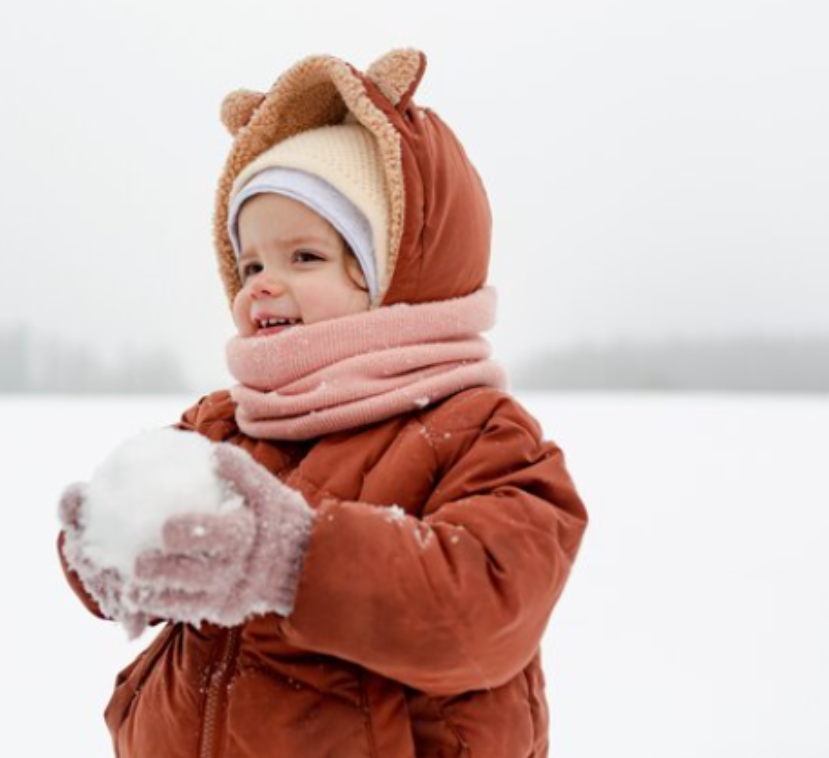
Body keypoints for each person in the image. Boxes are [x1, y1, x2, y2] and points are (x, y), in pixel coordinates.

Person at [56, 48, 589, 758]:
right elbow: (161, 542)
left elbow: (481, 608)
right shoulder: (225, 424)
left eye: (302, 257)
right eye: (250, 264)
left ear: (396, 278)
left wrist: (295, 559)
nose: (262, 286)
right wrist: (108, 550)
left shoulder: (480, 435)